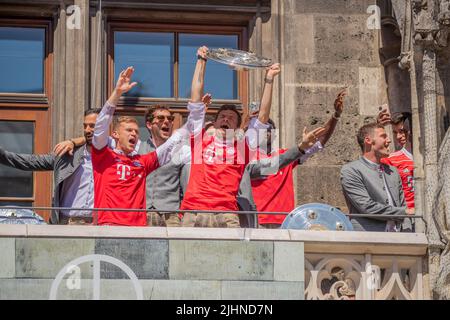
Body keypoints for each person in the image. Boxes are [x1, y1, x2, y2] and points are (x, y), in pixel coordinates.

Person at [92, 61, 205, 226]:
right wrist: (116, 94)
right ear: (115, 134)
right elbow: (100, 127)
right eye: (129, 130)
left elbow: (176, 138)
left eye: (137, 132)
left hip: (138, 228)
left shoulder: (142, 161)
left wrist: (197, 111)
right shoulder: (103, 156)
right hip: (109, 225)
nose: (134, 134)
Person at [248, 90, 346, 228]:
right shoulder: (246, 158)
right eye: (263, 128)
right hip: (255, 222)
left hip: (284, 223)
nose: (266, 131)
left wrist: (336, 116)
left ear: (274, 134)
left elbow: (319, 143)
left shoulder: (288, 156)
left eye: (270, 128)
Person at [0, 109, 101, 225]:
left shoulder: (113, 156)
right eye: (85, 126)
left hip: (98, 225)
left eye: (92, 126)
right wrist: (2, 155)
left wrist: (75, 141)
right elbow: (31, 162)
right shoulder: (68, 155)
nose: (87, 130)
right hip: (67, 224)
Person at [340, 123, 414, 232]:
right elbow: (367, 207)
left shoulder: (393, 171)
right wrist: (404, 212)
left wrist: (408, 233)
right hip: (368, 239)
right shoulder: (351, 170)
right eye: (383, 136)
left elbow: (403, 204)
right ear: (368, 140)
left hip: (399, 238)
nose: (389, 140)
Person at [377, 110, 414, 210]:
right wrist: (378, 127)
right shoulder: (392, 159)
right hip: (407, 216)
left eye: (401, 131)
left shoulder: (431, 158)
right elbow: (370, 161)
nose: (398, 137)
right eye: (395, 133)